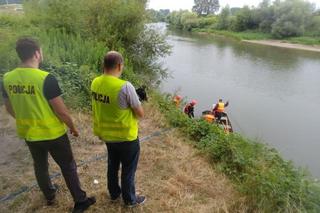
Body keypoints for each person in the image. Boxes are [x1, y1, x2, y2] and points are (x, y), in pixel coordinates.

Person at [1, 38, 95, 213]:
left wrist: (24, 118)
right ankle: (80, 201)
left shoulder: (7, 78)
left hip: (29, 133)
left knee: (40, 165)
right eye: (41, 51)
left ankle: (49, 195)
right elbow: (61, 111)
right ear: (37, 53)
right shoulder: (45, 78)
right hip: (53, 134)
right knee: (68, 166)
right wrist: (73, 127)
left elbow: (9, 108)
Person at [91, 51, 145, 207]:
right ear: (120, 66)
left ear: (104, 65)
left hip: (107, 135)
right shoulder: (125, 86)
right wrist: (138, 100)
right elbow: (140, 114)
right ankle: (130, 200)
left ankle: (114, 194)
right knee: (128, 170)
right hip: (126, 137)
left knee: (112, 165)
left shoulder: (95, 82)